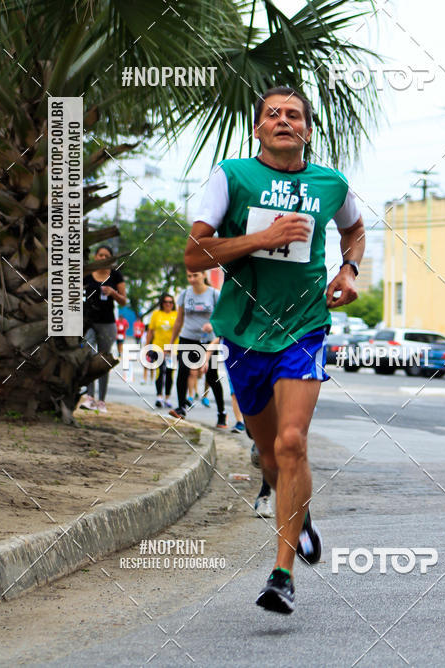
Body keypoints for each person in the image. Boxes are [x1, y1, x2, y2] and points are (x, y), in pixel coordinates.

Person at [184, 86, 364, 614]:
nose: (283, 120)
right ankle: (298, 510)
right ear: (258, 129)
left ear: (307, 129)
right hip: (243, 333)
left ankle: (281, 574)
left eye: (294, 114)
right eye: (272, 114)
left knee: (291, 443)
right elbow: (194, 254)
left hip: (304, 328)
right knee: (268, 455)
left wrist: (348, 269)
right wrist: (262, 239)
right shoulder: (232, 177)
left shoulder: (330, 184)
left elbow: (353, 228)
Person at [168, 272, 226, 428]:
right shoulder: (185, 294)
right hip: (187, 338)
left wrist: (213, 325)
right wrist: (172, 342)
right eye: (189, 276)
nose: (192, 279)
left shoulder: (214, 294)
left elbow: (222, 318)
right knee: (183, 371)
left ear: (203, 275)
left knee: (212, 376)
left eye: (195, 275)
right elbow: (179, 319)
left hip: (209, 341)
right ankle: (181, 408)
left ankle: (222, 413)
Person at [81, 245, 127, 414]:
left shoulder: (116, 275)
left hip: (107, 323)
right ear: (95, 257)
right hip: (89, 322)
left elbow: (123, 301)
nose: (103, 258)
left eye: (106, 255)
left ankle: (101, 400)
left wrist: (113, 293)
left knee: (103, 360)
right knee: (89, 356)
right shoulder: (87, 274)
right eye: (100, 255)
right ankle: (90, 397)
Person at [146, 293, 178, 408]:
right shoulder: (156, 314)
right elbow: (150, 331)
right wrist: (147, 347)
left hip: (172, 349)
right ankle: (159, 396)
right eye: (166, 302)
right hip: (157, 348)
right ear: (162, 303)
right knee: (160, 372)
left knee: (170, 374)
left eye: (170, 302)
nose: (168, 304)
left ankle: (167, 398)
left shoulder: (177, 314)